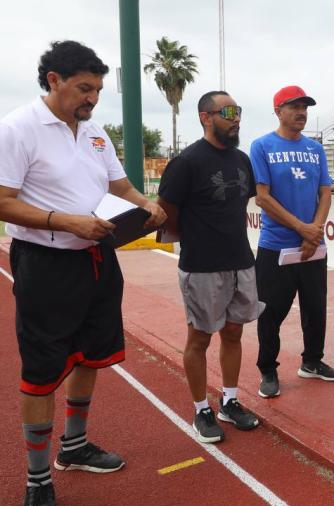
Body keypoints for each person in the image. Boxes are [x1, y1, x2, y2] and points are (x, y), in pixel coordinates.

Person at [0, 41, 166, 506]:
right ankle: (36, 478)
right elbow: (2, 199)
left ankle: (74, 445)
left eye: (96, 90)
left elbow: (121, 184)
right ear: (53, 80)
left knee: (91, 354)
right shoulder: (17, 128)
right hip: (46, 264)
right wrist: (65, 220)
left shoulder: (94, 132)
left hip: (98, 258)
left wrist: (145, 205)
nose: (91, 99)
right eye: (83, 88)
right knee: (41, 367)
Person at [157, 91, 261, 443]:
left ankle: (229, 402)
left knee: (234, 333)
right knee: (199, 338)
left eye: (239, 110)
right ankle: (201, 408)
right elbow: (166, 212)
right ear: (205, 116)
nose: (236, 118)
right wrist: (198, 239)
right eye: (228, 111)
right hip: (202, 266)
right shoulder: (186, 162)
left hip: (241, 261)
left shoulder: (243, 160)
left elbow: (237, 204)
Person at [251, 85, 334, 399]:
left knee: (315, 308)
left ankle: (312, 362)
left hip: (312, 244)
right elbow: (263, 198)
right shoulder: (261, 146)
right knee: (270, 312)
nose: (301, 112)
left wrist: (314, 229)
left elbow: (326, 191)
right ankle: (268, 369)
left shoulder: (315, 149)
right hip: (276, 246)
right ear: (278, 111)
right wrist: (303, 229)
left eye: (305, 107)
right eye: (294, 107)